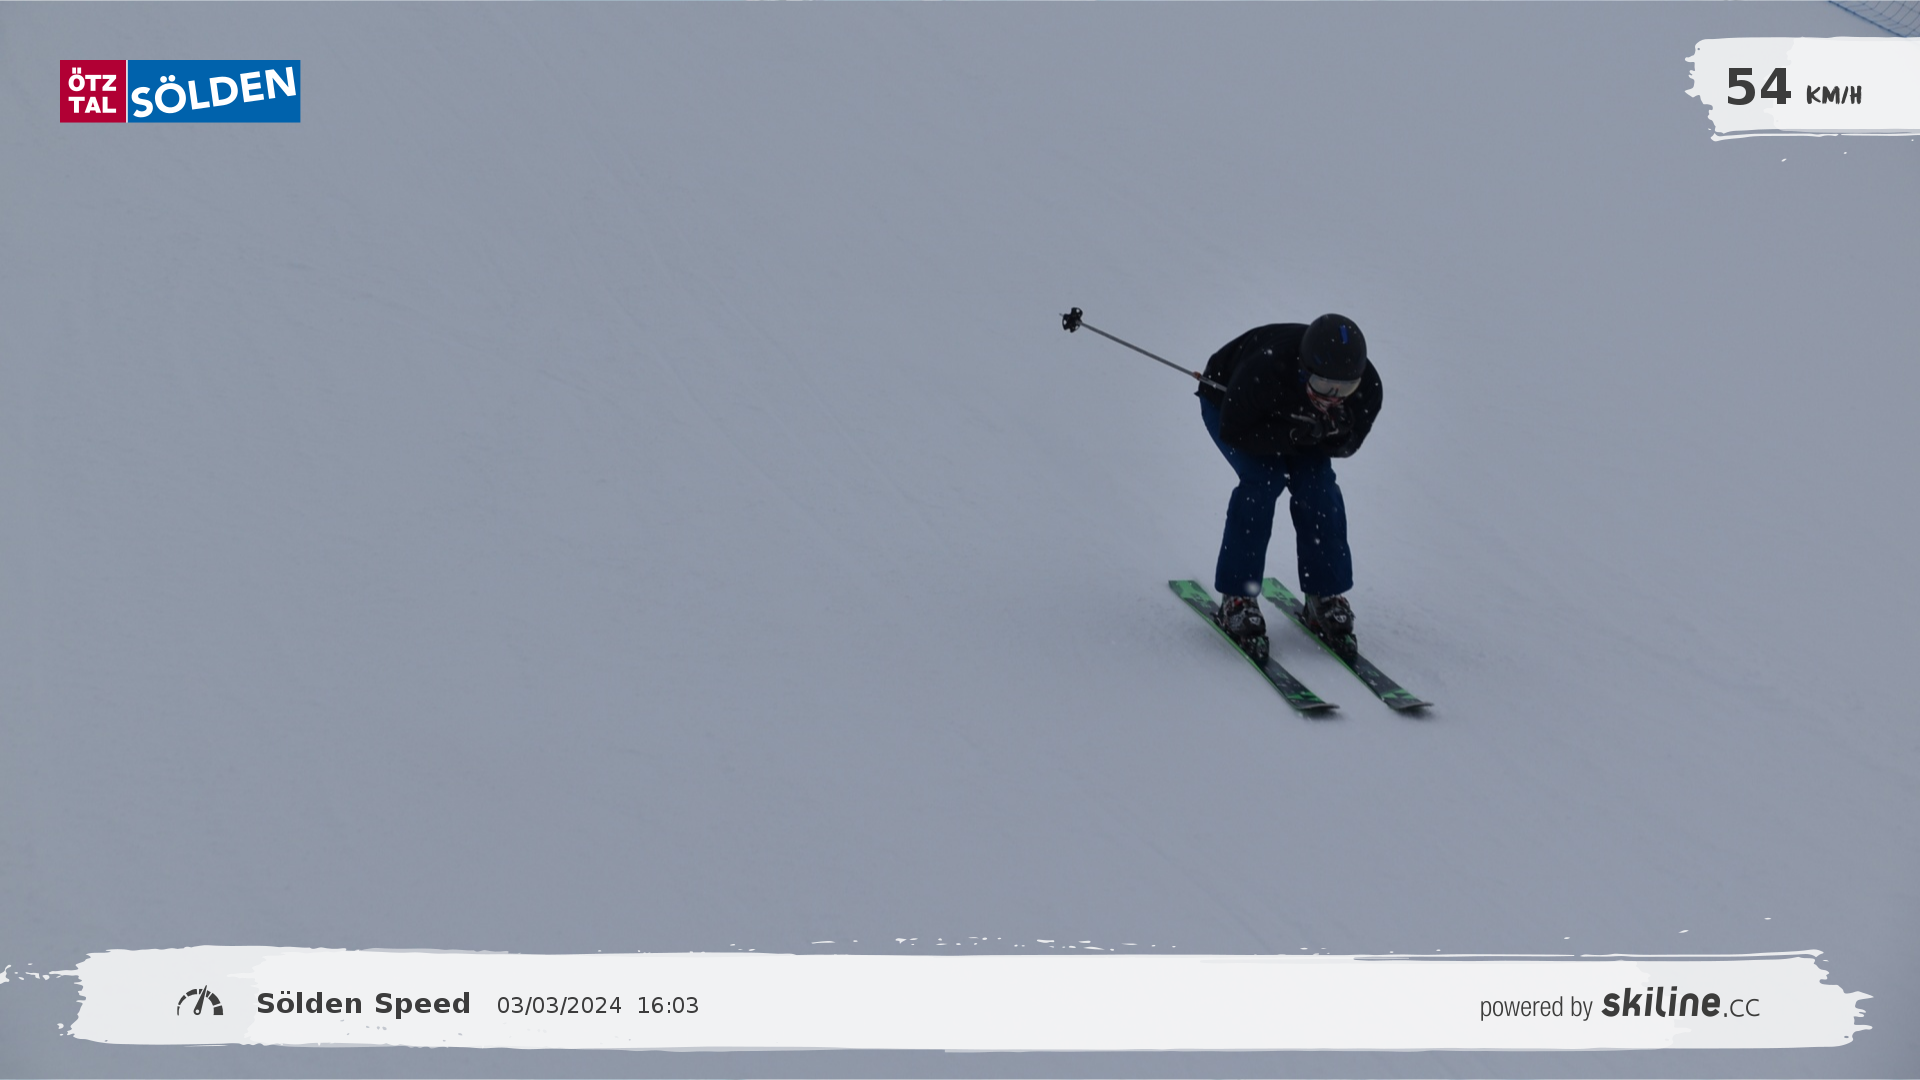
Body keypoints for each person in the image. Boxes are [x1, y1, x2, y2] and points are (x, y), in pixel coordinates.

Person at [1195, 313, 1383, 663]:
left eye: (1344, 389)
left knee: (1318, 486)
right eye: (1324, 385)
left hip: (1292, 420)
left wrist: (1335, 434)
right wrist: (1292, 434)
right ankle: (1238, 595)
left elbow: (1349, 445)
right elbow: (1234, 430)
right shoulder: (1266, 370)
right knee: (1263, 480)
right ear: (1304, 368)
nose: (1333, 397)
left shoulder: (1367, 388)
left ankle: (1324, 594)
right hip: (1229, 402)